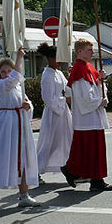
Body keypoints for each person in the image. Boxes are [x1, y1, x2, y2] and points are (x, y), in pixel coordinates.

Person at [0, 48, 41, 209]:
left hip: (19, 124)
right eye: (3, 71)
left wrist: (28, 107)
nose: (6, 74)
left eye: (9, 71)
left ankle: (24, 194)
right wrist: (19, 57)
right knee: (4, 160)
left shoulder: (18, 88)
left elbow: (26, 104)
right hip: (5, 124)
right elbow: (12, 80)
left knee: (24, 159)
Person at [62, 38, 112, 191]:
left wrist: (100, 79)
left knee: (93, 150)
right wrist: (99, 102)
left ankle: (93, 178)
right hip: (87, 117)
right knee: (90, 151)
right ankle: (90, 178)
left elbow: (95, 87)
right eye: (89, 50)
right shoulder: (79, 71)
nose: (92, 52)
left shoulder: (89, 67)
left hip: (93, 116)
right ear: (79, 52)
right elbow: (83, 96)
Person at [35, 43, 72, 183]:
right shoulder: (47, 75)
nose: (59, 61)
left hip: (64, 113)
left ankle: (69, 167)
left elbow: (67, 88)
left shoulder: (60, 73)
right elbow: (48, 98)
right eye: (57, 58)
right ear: (50, 59)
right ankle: (35, 171)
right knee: (49, 143)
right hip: (53, 113)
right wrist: (64, 100)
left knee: (67, 140)